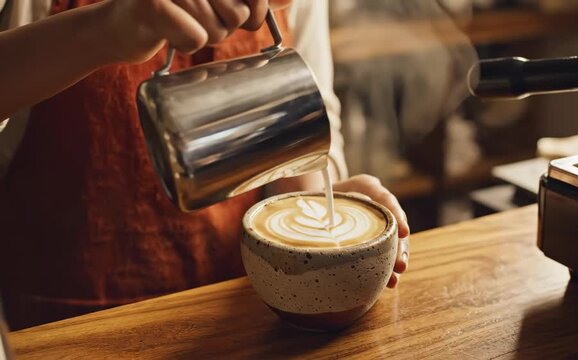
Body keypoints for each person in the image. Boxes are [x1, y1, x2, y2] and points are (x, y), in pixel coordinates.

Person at [0, 0, 410, 330]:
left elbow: (304, 132)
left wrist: (328, 205)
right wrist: (104, 28)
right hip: (69, 321)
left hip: (232, 315)